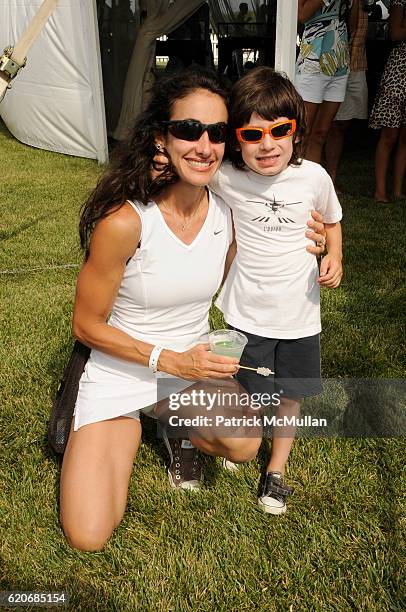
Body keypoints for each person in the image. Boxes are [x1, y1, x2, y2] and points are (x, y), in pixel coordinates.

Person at [60, 67, 326, 551]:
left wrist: (322, 241)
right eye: (188, 129)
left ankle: (174, 428)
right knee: (88, 535)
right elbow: (85, 324)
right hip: (122, 367)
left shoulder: (228, 213)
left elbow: (286, 220)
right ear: (161, 138)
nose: (204, 145)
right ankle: (125, 416)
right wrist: (168, 360)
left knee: (244, 443)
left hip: (189, 367)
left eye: (217, 133)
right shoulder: (125, 221)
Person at [210, 67, 343, 515]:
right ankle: (241, 439)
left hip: (300, 315)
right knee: (244, 388)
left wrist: (334, 255)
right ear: (236, 140)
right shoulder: (225, 176)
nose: (267, 145)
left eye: (279, 130)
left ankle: (276, 469)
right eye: (252, 134)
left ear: (295, 131)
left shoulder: (314, 178)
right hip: (245, 311)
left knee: (290, 395)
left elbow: (332, 218)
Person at [295, 0, 353, 164]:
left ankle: (313, 185)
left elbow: (353, 23)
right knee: (302, 133)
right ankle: (295, 184)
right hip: (313, 59)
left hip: (339, 61)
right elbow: (302, 14)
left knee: (321, 133)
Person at [325, 0, 369, 191]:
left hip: (357, 60)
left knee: (342, 123)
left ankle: (331, 177)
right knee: (325, 125)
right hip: (331, 61)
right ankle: (324, 178)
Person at [369, 0, 406, 202]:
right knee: (389, 133)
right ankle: (380, 190)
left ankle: (398, 190)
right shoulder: (400, 1)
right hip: (399, 72)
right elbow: (395, 33)